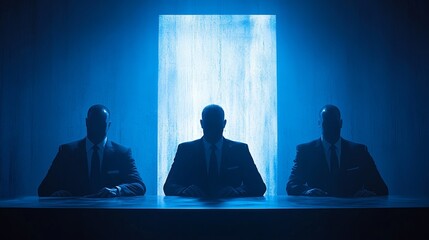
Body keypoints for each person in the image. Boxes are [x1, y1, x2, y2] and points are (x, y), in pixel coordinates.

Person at [38, 104, 146, 197]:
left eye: (101, 123)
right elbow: (44, 188)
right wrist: (57, 193)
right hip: (73, 215)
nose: (96, 127)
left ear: (109, 125)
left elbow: (139, 185)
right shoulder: (67, 152)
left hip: (111, 216)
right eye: (94, 122)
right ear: (86, 122)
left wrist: (117, 190)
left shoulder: (121, 153)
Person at [164, 104, 266, 198]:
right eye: (210, 123)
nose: (212, 127)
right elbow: (168, 186)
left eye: (215, 123)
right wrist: (237, 191)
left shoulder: (240, 150)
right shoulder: (185, 150)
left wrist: (184, 191)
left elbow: (259, 186)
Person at [286, 104, 388, 197]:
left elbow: (381, 189)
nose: (331, 127)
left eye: (333, 122)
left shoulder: (359, 152)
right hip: (317, 214)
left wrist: (369, 193)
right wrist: (307, 191)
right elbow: (291, 185)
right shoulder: (305, 151)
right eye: (327, 123)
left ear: (341, 123)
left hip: (354, 214)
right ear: (319, 123)